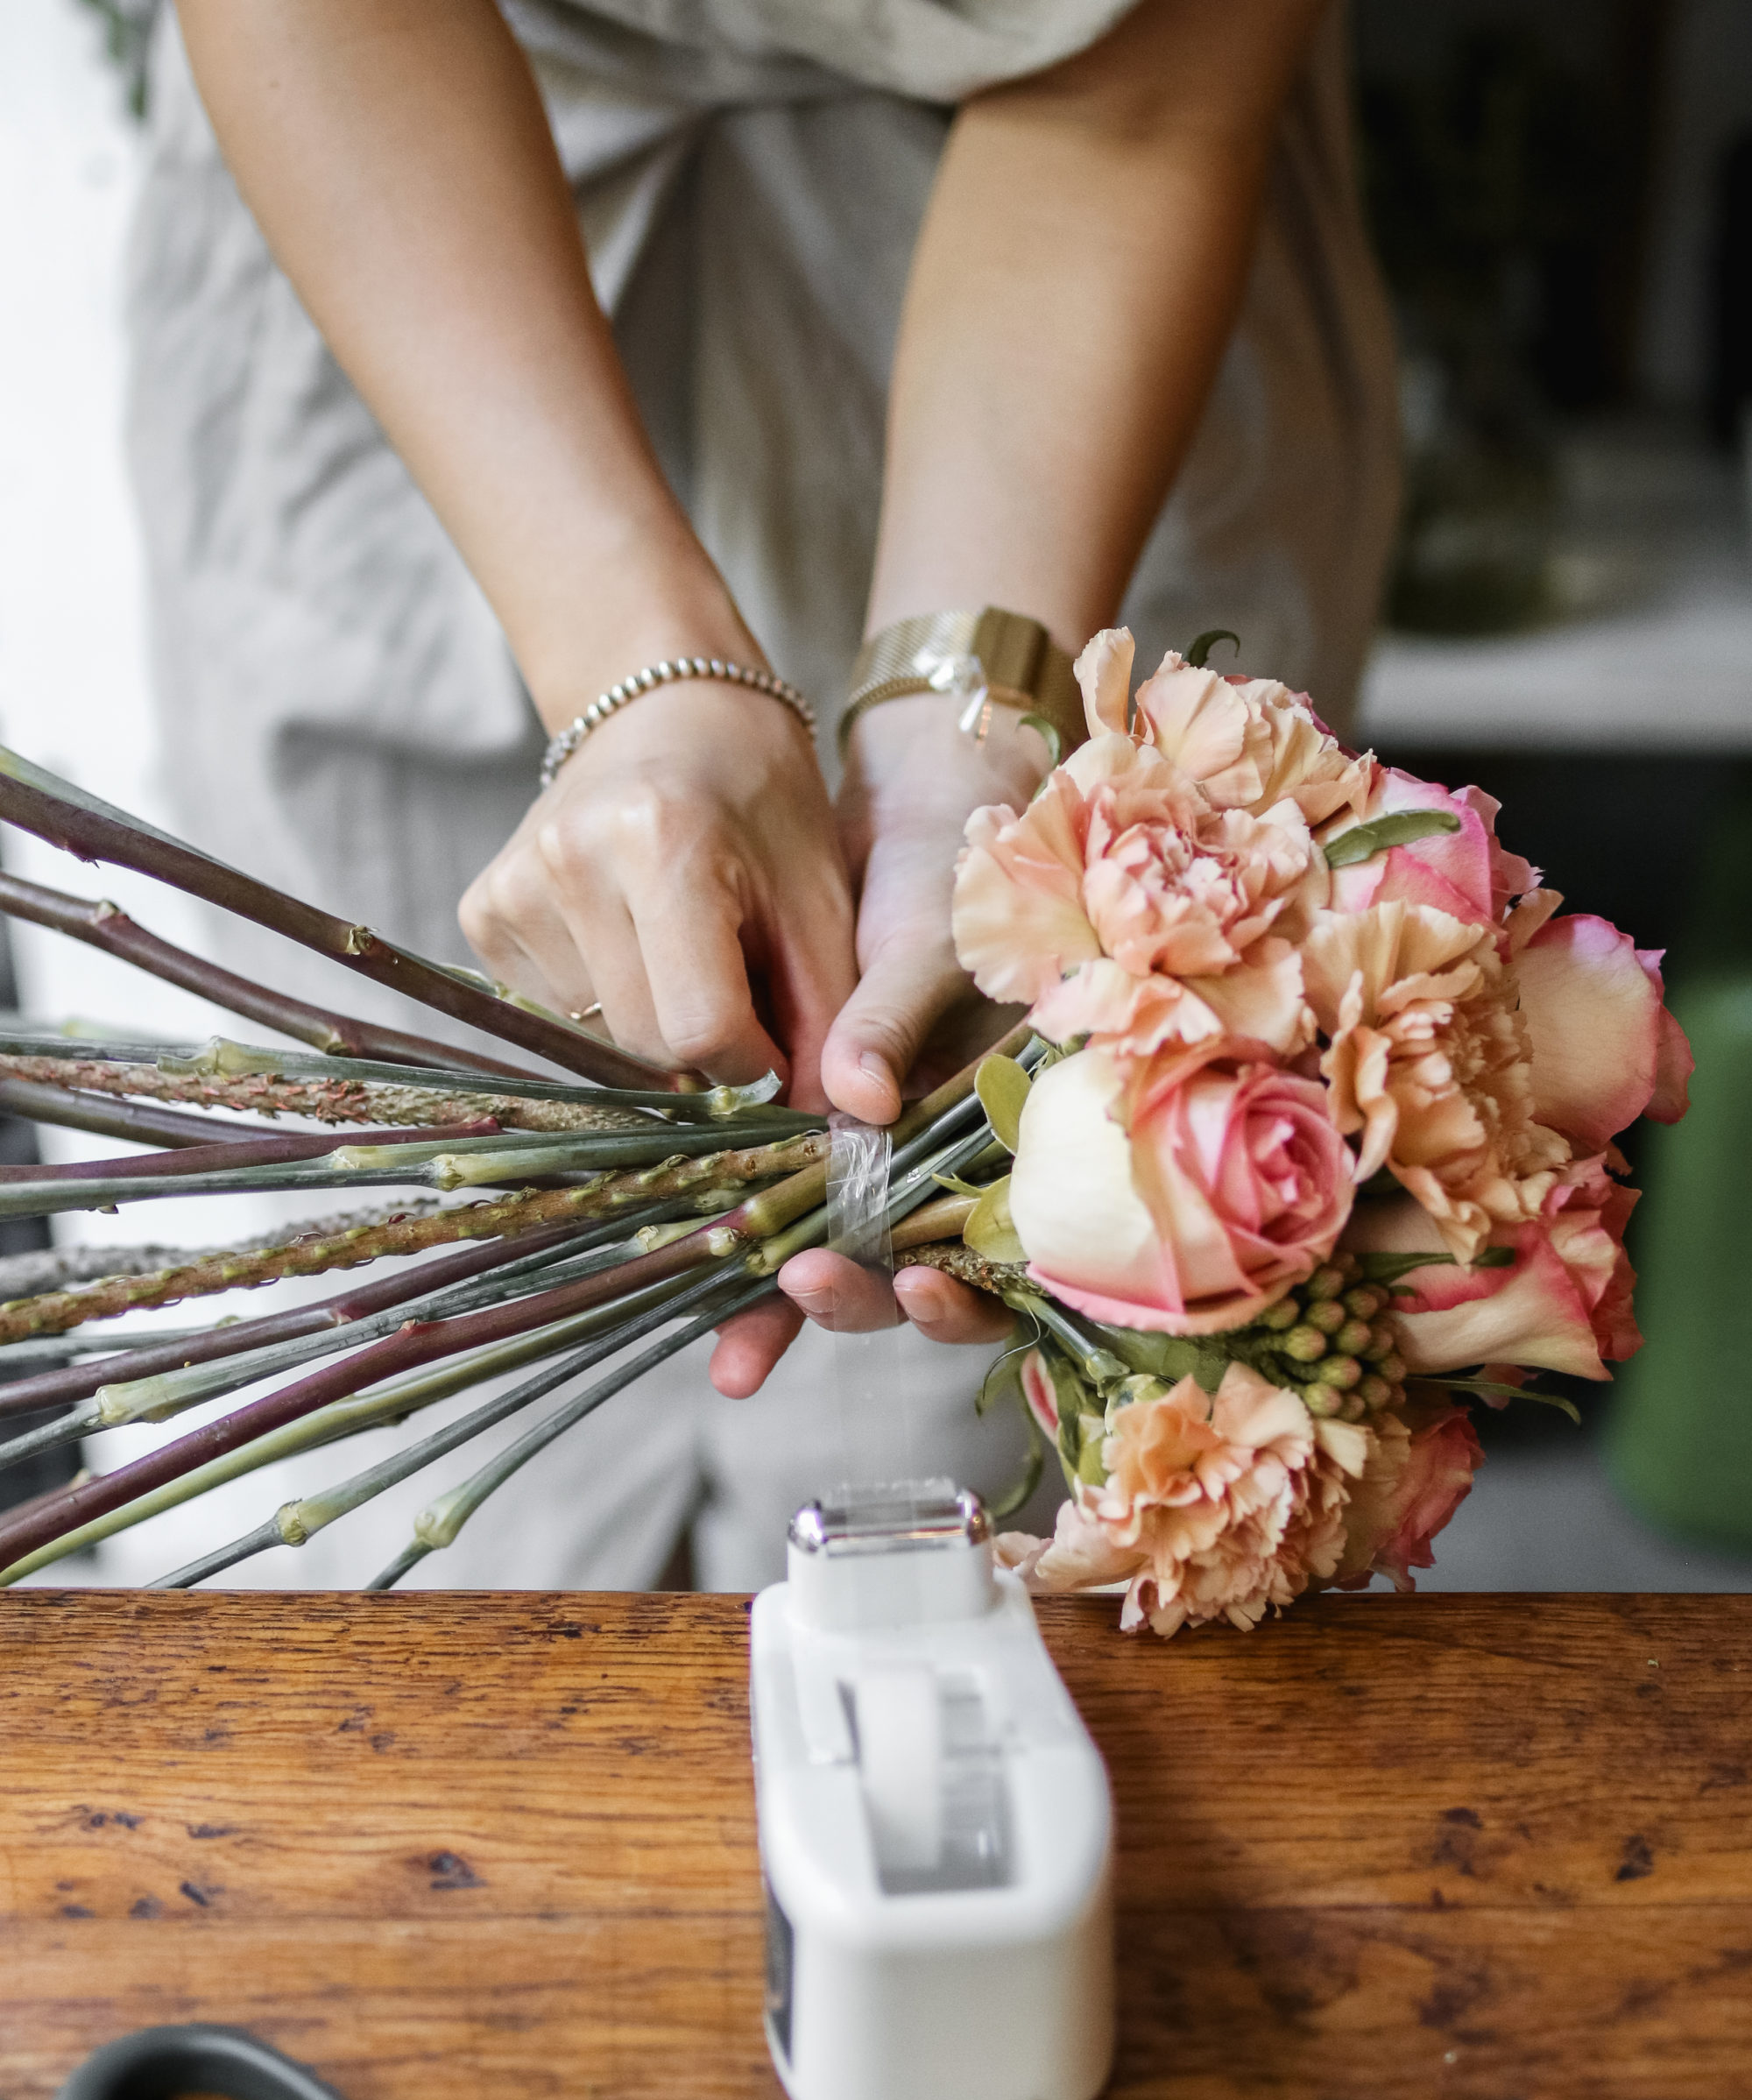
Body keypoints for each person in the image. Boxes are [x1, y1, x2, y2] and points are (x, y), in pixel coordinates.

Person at [118, 0, 1399, 1590]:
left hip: (1089, 358)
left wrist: (971, 755)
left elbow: (1131, 99)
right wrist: (637, 682)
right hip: (416, 261)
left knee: (980, 1546)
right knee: (429, 1511)